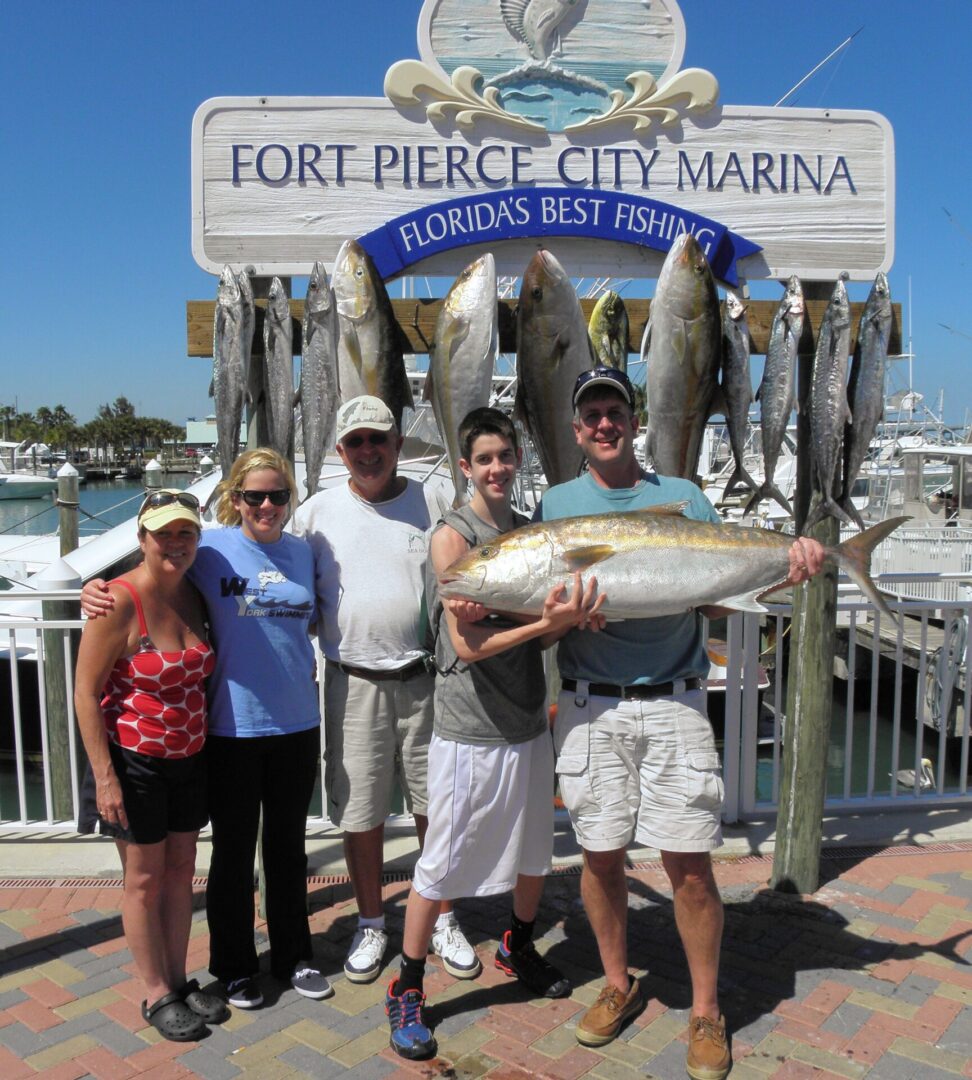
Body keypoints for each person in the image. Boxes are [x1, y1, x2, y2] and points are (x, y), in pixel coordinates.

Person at [536, 367, 825, 1080]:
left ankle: (704, 1011)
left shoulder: (684, 498)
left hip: (676, 702)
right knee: (599, 858)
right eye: (592, 414)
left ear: (635, 423)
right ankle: (615, 984)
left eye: (615, 411)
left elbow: (713, 603)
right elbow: (545, 611)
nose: (604, 424)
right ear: (577, 430)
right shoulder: (557, 503)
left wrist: (782, 573)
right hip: (587, 705)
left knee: (689, 867)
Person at [384, 407, 604, 1060]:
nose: (497, 468)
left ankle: (517, 943)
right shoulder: (453, 539)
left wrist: (576, 618)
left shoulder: (533, 533)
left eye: (505, 456)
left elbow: (554, 616)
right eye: (484, 459)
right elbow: (467, 642)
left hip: (527, 721)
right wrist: (545, 625)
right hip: (469, 729)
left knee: (536, 853)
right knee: (441, 865)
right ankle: (409, 983)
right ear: (466, 467)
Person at [81, 450, 331, 1010]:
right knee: (234, 853)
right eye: (254, 496)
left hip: (297, 722)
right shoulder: (210, 548)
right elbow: (150, 568)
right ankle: (236, 967)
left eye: (277, 496)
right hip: (230, 727)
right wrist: (95, 589)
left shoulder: (303, 551)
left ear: (289, 500)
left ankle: (294, 958)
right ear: (235, 499)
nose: (266, 506)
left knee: (289, 849)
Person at [291, 395, 478, 986]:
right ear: (340, 451)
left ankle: (444, 915)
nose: (368, 452)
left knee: (437, 809)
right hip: (352, 684)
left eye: (379, 439)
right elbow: (261, 569)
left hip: (429, 680)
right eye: (355, 443)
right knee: (361, 812)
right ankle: (372, 921)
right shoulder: (315, 513)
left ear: (398, 444)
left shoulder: (437, 499)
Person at [75, 490, 226, 1042]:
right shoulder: (117, 600)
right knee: (142, 880)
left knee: (182, 871)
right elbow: (85, 694)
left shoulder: (196, 591)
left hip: (190, 757)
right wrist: (106, 778)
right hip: (134, 761)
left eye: (186, 533)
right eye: (164, 533)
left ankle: (180, 978)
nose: (176, 544)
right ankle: (154, 990)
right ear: (141, 539)